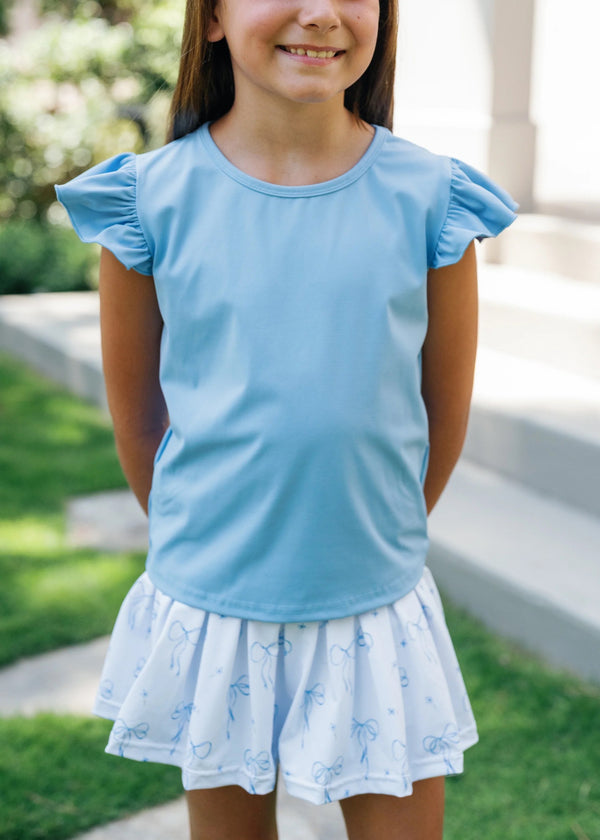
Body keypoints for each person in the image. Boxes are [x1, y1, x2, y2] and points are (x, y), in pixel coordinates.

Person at [55, 0, 518, 837]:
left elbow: (442, 413)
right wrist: (207, 546)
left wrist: (374, 535)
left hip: (374, 599)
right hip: (216, 604)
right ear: (211, 18)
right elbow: (140, 421)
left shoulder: (432, 199)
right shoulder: (149, 200)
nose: (321, 13)